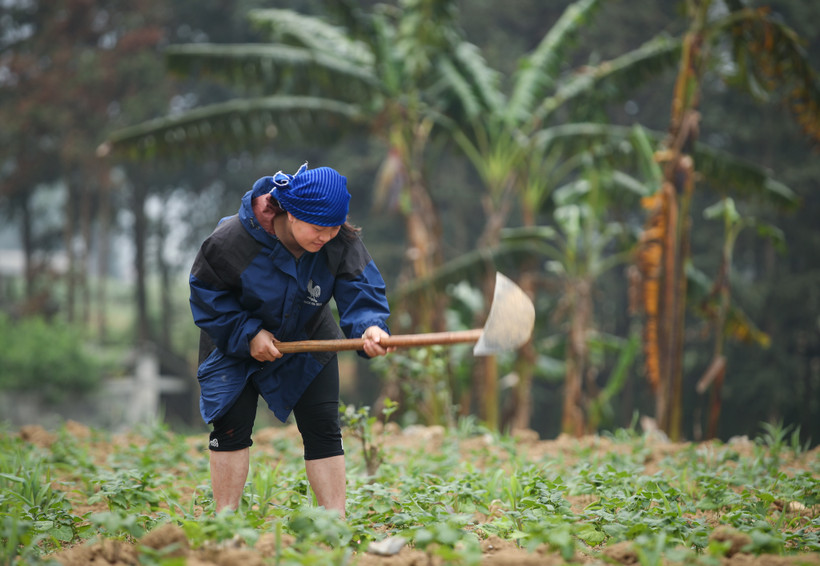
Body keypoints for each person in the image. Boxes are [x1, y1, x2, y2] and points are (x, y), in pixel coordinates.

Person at [189, 162, 393, 518]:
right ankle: (225, 522)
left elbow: (359, 285)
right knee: (230, 428)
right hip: (231, 341)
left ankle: (335, 523)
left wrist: (369, 328)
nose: (326, 238)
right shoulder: (231, 240)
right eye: (318, 229)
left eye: (333, 229)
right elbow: (207, 295)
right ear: (292, 213)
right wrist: (247, 333)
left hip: (307, 336)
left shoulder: (339, 239)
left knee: (324, 429)